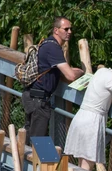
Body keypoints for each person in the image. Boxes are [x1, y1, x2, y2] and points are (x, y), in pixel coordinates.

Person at [63, 55, 112, 171]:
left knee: (81, 162)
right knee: (88, 165)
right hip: (92, 120)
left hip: (81, 115)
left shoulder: (102, 71)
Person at [23, 17, 84, 146]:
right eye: (66, 29)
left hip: (32, 96)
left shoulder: (47, 44)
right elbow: (71, 76)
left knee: (29, 139)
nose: (70, 32)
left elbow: (59, 73)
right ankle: (31, 165)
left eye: (70, 29)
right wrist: (82, 72)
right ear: (56, 30)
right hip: (38, 101)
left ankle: (23, 164)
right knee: (37, 143)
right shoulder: (53, 48)